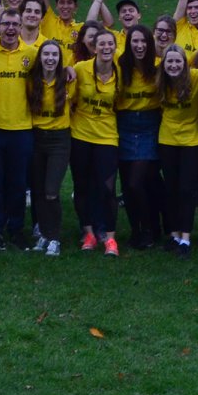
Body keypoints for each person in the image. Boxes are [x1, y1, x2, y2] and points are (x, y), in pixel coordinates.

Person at [0, 9, 35, 247]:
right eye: (6, 24)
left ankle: (16, 228)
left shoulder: (31, 54)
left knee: (18, 182)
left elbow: (54, 69)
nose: (10, 29)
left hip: (22, 128)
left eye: (15, 24)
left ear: (21, 27)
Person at [70, 29, 122, 256]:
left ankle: (110, 238)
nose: (107, 48)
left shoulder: (121, 74)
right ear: (94, 47)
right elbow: (70, 96)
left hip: (107, 136)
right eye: (102, 44)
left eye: (111, 44)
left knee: (107, 188)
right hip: (80, 135)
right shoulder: (81, 69)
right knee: (82, 186)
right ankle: (89, 233)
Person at [114, 24, 164, 250]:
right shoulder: (120, 65)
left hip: (149, 125)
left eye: (144, 41)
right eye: (135, 41)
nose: (140, 45)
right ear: (128, 43)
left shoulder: (158, 66)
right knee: (128, 183)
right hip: (124, 125)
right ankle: (138, 230)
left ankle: (149, 228)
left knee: (138, 183)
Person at [156, 45, 198, 256]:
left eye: (178, 61)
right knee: (171, 188)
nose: (174, 65)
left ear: (185, 64)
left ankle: (186, 237)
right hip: (167, 140)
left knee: (187, 189)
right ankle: (174, 234)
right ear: (164, 64)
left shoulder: (196, 77)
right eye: (170, 62)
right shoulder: (160, 82)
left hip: (193, 141)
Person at [26, 39, 71, 255]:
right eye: (46, 55)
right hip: (36, 138)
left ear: (60, 58)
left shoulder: (69, 80)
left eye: (54, 55)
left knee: (52, 191)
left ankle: (55, 238)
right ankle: (43, 234)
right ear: (40, 58)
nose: (50, 59)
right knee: (39, 191)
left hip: (59, 140)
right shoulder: (31, 81)